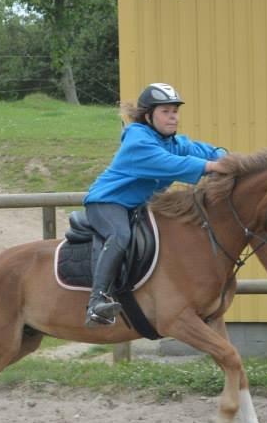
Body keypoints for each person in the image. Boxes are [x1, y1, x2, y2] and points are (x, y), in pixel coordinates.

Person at [82, 82, 230, 327]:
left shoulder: (172, 142)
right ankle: (97, 301)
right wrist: (210, 167)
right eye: (166, 112)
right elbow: (170, 163)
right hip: (107, 203)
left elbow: (202, 150)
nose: (173, 118)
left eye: (175, 111)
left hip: (138, 206)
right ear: (148, 116)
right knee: (120, 235)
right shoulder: (138, 142)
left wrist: (229, 159)